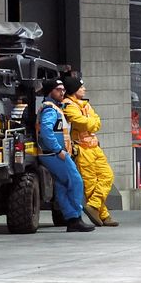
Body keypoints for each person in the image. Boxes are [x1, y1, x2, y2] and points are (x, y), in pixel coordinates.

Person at [35, 78, 94, 232]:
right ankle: (75, 217)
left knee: (62, 186)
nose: (62, 92)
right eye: (58, 90)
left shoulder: (53, 107)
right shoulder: (50, 109)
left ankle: (71, 219)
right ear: (50, 92)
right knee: (76, 181)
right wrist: (58, 150)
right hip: (54, 154)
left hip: (51, 153)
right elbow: (46, 132)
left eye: (63, 89)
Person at [60, 73, 118, 227]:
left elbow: (97, 122)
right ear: (74, 89)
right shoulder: (68, 105)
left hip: (94, 147)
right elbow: (82, 123)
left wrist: (91, 122)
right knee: (91, 183)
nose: (84, 89)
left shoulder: (85, 104)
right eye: (81, 87)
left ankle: (93, 206)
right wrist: (91, 122)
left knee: (107, 176)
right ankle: (104, 215)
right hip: (82, 149)